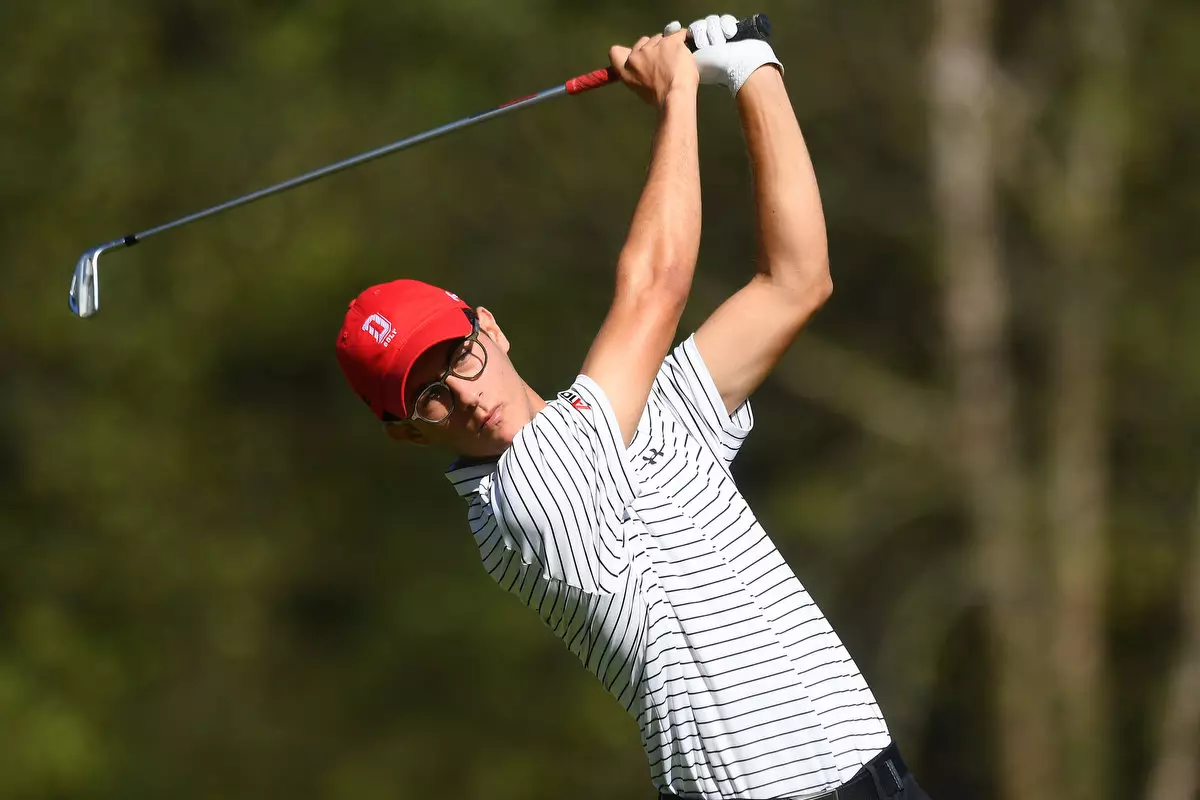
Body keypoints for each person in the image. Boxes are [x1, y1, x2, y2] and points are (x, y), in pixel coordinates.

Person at [335, 13, 931, 800]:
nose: (468, 396)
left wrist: (752, 70)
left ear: (494, 329)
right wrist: (678, 92)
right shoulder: (528, 498)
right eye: (431, 397)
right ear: (405, 433)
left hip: (872, 769)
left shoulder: (639, 418)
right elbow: (655, 287)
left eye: (460, 356)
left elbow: (795, 281)